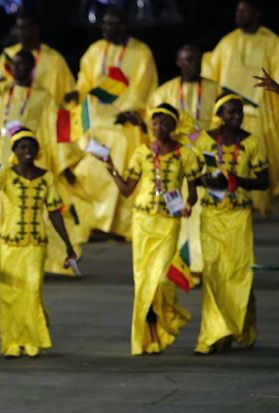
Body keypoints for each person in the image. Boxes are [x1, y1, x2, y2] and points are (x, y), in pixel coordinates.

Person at [0, 50, 82, 276]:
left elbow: (54, 133)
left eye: (24, 65)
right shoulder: (1, 93)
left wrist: (64, 164)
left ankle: (42, 254)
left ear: (32, 68)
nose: (19, 70)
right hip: (2, 159)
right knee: (0, 206)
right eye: (15, 65)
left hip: (30, 161)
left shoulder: (44, 97)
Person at [104, 104, 201, 355]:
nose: (159, 127)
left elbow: (193, 190)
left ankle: (173, 316)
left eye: (165, 123)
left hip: (169, 221)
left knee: (161, 279)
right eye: (155, 122)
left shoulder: (185, 155)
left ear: (174, 126)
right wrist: (111, 168)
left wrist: (189, 205)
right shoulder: (141, 152)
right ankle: (151, 335)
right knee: (143, 281)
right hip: (143, 220)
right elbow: (127, 190)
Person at [68, 8, 158, 239]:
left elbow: (142, 88)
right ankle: (92, 222)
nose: (108, 29)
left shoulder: (142, 52)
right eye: (105, 25)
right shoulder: (95, 50)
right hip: (96, 117)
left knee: (121, 147)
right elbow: (85, 81)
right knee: (83, 150)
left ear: (125, 26)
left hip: (124, 120)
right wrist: (75, 93)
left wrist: (130, 111)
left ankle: (118, 225)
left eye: (113, 24)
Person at [0, 128, 78, 358]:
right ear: (15, 151)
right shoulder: (6, 175)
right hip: (10, 243)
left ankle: (31, 340)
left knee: (32, 290)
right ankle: (11, 342)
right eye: (22, 147)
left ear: (37, 151)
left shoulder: (46, 177)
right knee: (9, 294)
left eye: (31, 147)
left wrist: (68, 244)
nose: (27, 151)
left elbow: (55, 212)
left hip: (36, 243)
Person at [194, 94, 267, 354]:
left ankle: (240, 328)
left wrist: (237, 181)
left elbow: (264, 181)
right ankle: (212, 335)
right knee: (213, 274)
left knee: (238, 274)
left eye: (240, 113)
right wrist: (201, 180)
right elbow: (191, 173)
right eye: (231, 113)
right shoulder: (204, 141)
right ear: (220, 115)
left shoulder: (252, 142)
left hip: (238, 216)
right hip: (212, 216)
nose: (237, 117)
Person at [150, 44, 221, 280]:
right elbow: (156, 126)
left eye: (197, 59)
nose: (194, 64)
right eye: (188, 60)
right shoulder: (165, 91)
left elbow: (223, 123)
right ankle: (177, 266)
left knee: (202, 213)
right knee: (178, 211)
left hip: (206, 156)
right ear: (179, 63)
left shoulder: (214, 88)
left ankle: (202, 265)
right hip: (177, 159)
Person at [202, 0, 279, 216]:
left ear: (257, 14)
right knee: (225, 156)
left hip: (259, 114)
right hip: (227, 114)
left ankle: (259, 206)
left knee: (259, 157)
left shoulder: (272, 41)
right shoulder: (227, 41)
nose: (239, 14)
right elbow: (211, 71)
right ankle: (224, 197)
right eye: (237, 10)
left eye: (245, 11)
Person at [0, 12, 77, 103]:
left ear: (36, 29)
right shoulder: (9, 54)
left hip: (43, 112)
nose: (20, 32)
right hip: (14, 110)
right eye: (18, 28)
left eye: (24, 28)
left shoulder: (54, 58)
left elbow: (69, 92)